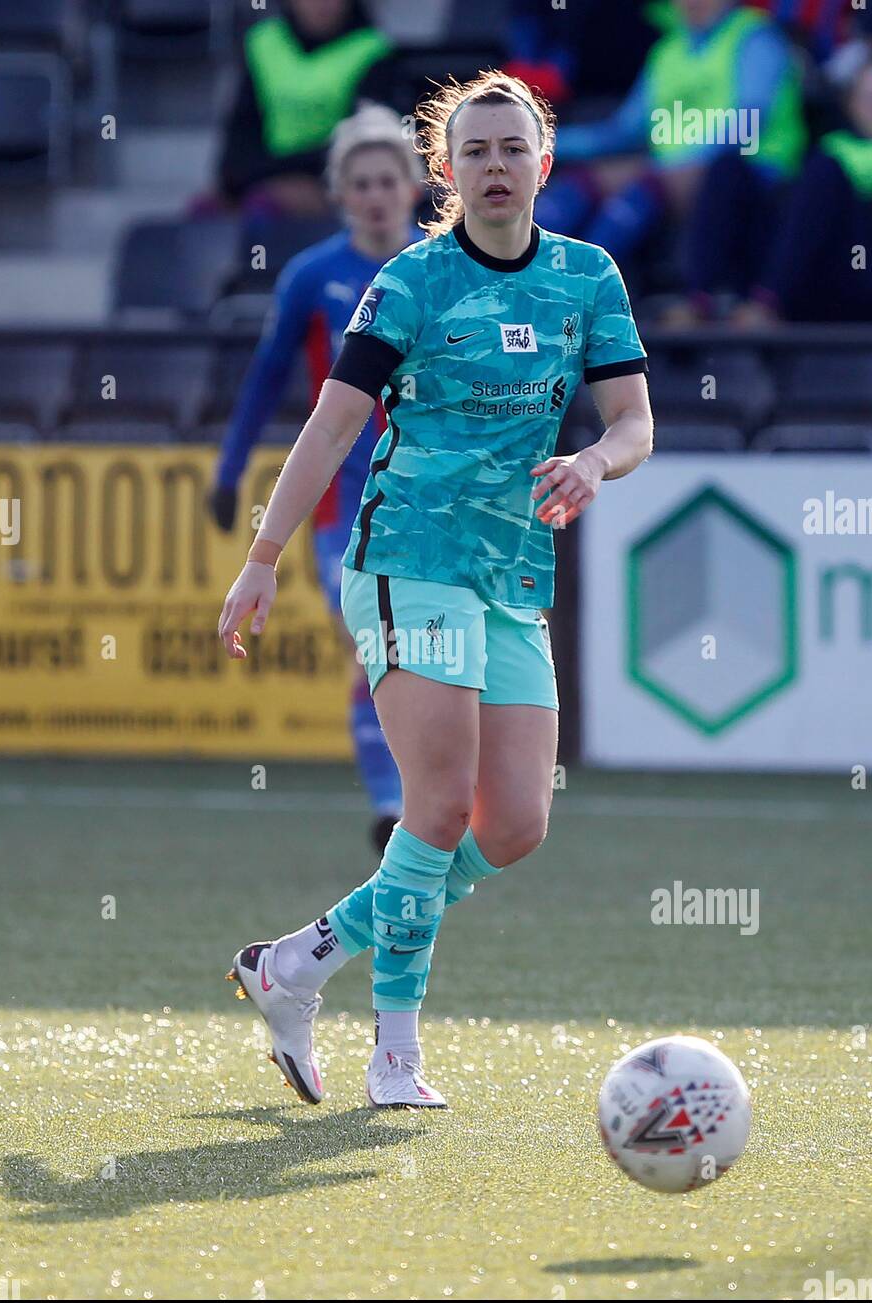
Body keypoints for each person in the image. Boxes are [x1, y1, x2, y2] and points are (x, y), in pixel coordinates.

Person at [219, 71, 653, 1110]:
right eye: (476, 152)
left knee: (512, 827)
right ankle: (396, 1054)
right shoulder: (409, 282)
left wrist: (596, 462)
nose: (496, 167)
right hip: (406, 558)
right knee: (440, 805)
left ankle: (293, 965)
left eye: (514, 149)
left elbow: (634, 421)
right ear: (445, 170)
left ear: (544, 164)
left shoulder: (589, 276)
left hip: (511, 573)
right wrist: (265, 556)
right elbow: (329, 426)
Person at [209, 105, 425, 849]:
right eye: (359, 182)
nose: (374, 195)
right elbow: (264, 382)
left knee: (428, 656)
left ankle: (428, 798)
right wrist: (229, 472)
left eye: (386, 180)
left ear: (414, 184)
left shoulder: (442, 269)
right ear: (340, 192)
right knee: (375, 641)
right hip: (344, 506)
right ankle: (393, 803)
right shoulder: (311, 277)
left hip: (432, 504)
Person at [542, 0, 806, 317]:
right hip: (667, 171)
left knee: (639, 190)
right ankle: (524, 283)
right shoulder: (668, 50)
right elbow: (624, 129)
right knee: (581, 185)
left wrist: (675, 164)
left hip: (750, 172)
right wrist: (544, 143)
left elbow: (747, 123)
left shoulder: (756, 38)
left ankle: (579, 299)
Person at [213, 0, 401, 219]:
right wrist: (270, 180)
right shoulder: (263, 43)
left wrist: (318, 182)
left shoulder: (372, 51)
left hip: (332, 184)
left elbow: (367, 145)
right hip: (264, 180)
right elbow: (239, 138)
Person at [734, 54, 872, 324]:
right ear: (851, 104)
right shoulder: (834, 151)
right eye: (869, 99)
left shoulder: (833, 162)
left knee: (826, 173)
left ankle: (768, 300)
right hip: (830, 283)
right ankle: (714, 300)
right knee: (730, 171)